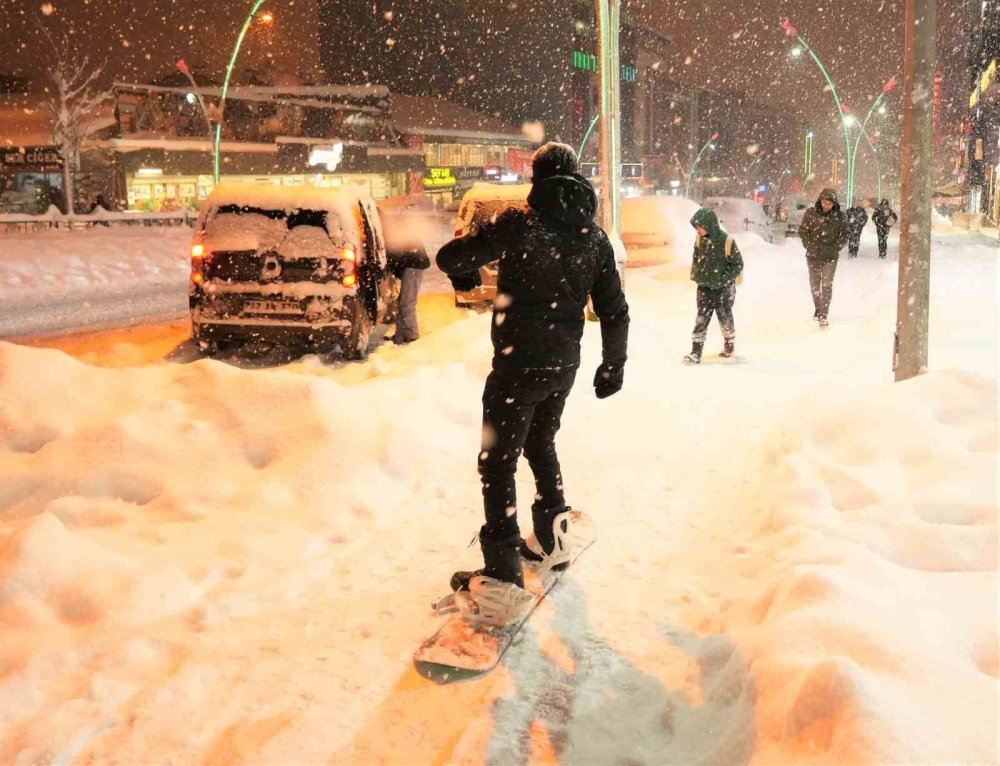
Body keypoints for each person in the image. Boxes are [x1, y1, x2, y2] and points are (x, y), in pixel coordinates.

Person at [436, 142, 629, 623]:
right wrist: (613, 366)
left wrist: (461, 262)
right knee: (540, 443)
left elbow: (451, 258)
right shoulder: (594, 237)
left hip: (517, 363)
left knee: (498, 463)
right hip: (563, 365)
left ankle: (502, 576)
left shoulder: (520, 222)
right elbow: (613, 310)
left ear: (537, 181)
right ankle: (551, 534)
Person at [683, 208, 743, 364]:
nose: (697, 229)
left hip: (723, 289)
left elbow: (737, 264)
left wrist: (723, 279)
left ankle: (729, 345)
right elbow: (696, 258)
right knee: (701, 319)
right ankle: (696, 352)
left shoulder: (726, 241)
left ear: (708, 224)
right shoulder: (699, 239)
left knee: (724, 317)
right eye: (696, 227)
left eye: (699, 226)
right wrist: (696, 274)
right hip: (704, 287)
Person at [799, 188, 848, 327]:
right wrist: (808, 244)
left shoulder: (839, 216)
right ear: (820, 201)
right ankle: (818, 308)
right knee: (815, 285)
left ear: (834, 204)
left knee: (826, 285)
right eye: (824, 202)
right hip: (813, 255)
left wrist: (837, 246)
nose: (826, 206)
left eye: (829, 203)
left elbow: (845, 234)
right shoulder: (810, 213)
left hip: (830, 256)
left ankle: (823, 314)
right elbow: (803, 230)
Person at [385, 244, 429, 344]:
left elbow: (397, 252)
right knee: (402, 302)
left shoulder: (397, 235)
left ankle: (412, 335)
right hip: (411, 263)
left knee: (407, 302)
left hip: (414, 265)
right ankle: (400, 335)